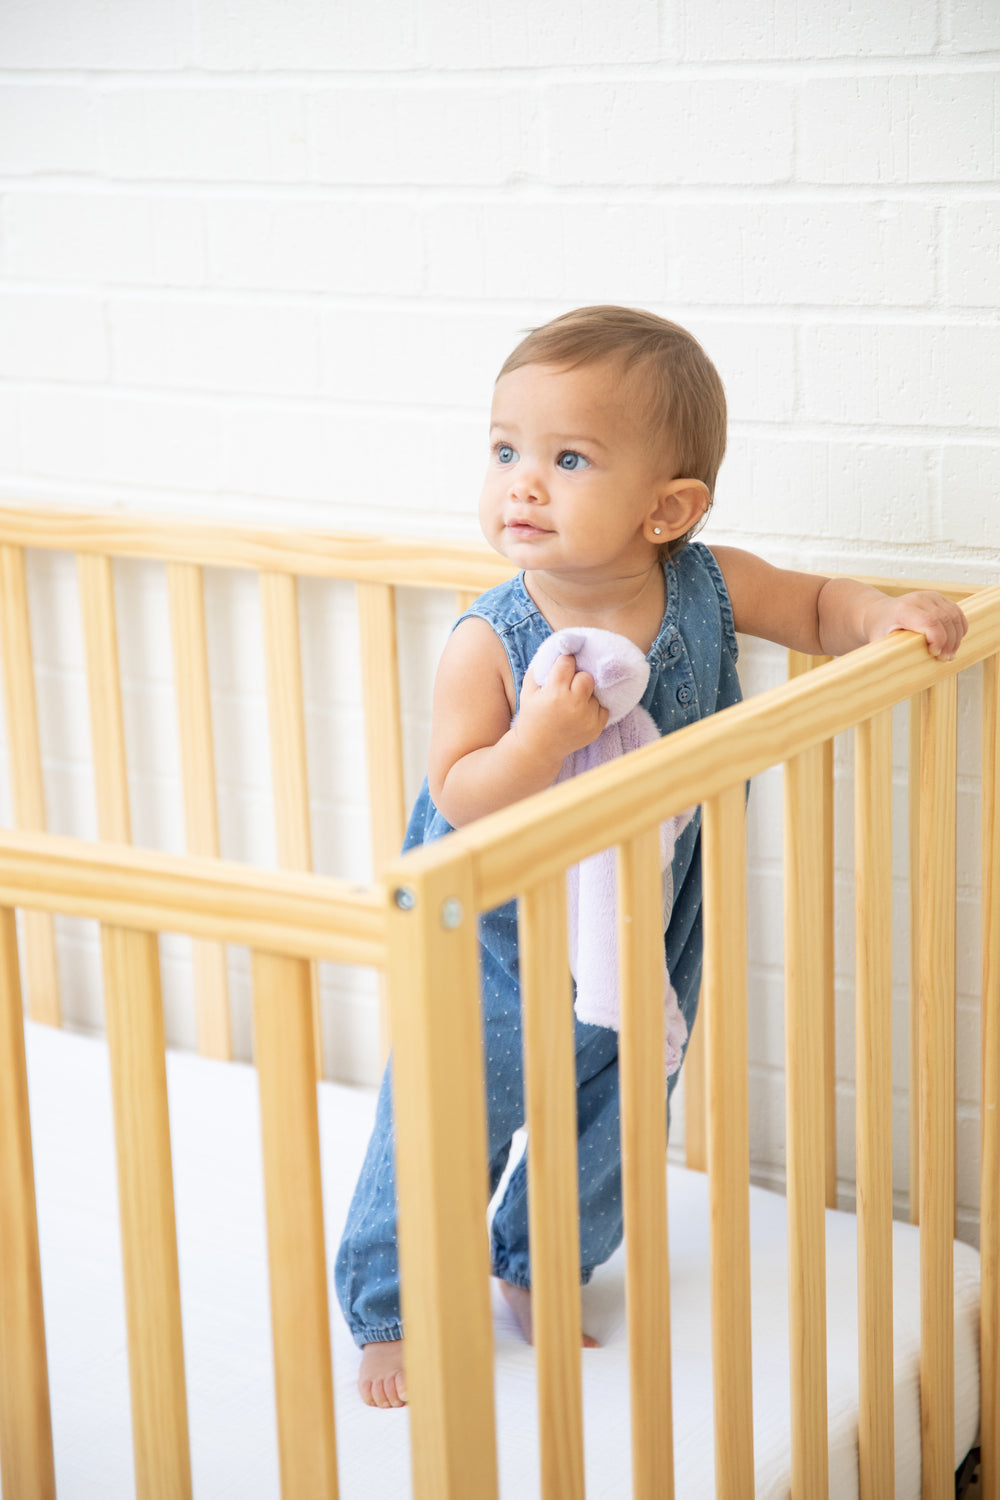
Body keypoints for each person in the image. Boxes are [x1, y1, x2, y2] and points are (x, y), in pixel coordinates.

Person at [334, 304, 968, 1409]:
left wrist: (880, 619)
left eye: (566, 458)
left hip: (642, 911)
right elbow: (460, 794)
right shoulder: (492, 639)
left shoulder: (708, 587)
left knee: (617, 1102)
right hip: (494, 926)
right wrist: (539, 741)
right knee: (452, 1111)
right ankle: (392, 1303)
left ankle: (542, 1262)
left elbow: (815, 606)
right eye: (504, 451)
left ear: (667, 509)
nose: (521, 483)